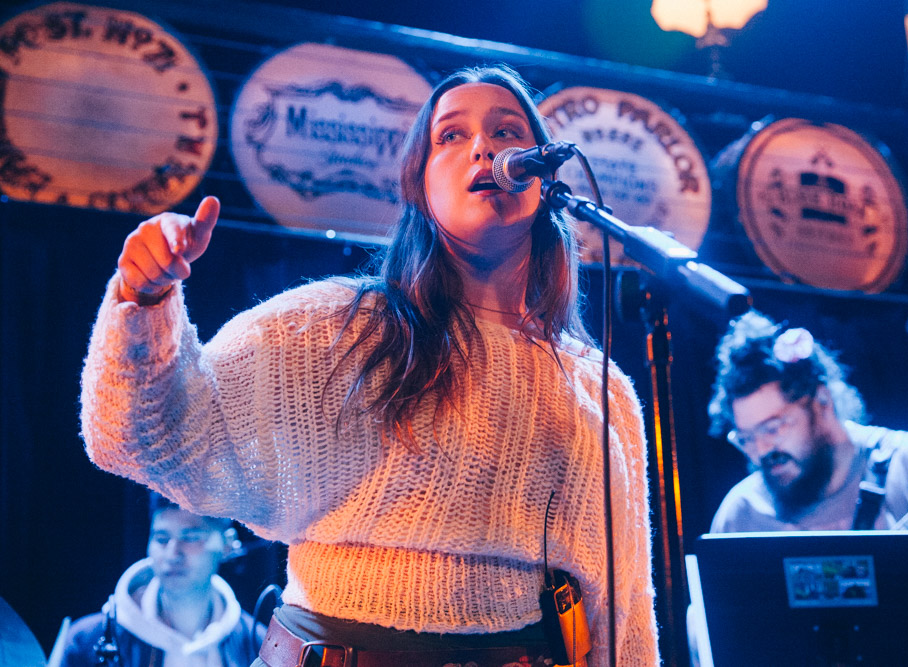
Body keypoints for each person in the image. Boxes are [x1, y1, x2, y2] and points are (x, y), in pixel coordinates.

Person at [80, 64, 659, 667]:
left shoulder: (599, 389)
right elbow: (140, 438)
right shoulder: (329, 329)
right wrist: (144, 299)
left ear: (544, 179)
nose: (484, 148)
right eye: (451, 135)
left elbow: (624, 612)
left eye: (507, 131)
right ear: (419, 187)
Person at [705, 310, 908, 604]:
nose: (762, 450)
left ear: (822, 401)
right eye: (746, 438)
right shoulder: (741, 516)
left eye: (772, 428)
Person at [56, 497, 263, 667]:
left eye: (191, 537)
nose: (172, 553)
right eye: (162, 539)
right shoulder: (87, 642)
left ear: (227, 544)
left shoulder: (259, 647)